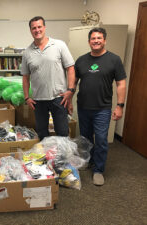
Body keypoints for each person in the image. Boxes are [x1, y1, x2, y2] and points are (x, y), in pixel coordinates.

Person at [74, 27, 126, 186]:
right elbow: (73, 83)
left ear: (104, 40)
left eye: (99, 38)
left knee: (102, 140)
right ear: (89, 41)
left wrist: (120, 106)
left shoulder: (114, 60)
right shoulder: (81, 60)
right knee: (86, 138)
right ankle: (89, 161)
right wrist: (68, 101)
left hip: (102, 108)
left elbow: (121, 84)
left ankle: (98, 170)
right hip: (83, 107)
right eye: (93, 38)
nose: (96, 41)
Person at [21, 16, 76, 140]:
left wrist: (70, 90)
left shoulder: (59, 45)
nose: (37, 30)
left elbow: (71, 68)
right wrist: (27, 97)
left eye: (39, 27)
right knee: (42, 133)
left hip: (59, 98)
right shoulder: (27, 52)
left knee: (62, 132)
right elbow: (25, 77)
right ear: (30, 30)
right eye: (33, 28)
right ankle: (46, 157)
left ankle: (63, 159)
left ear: (44, 27)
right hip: (38, 101)